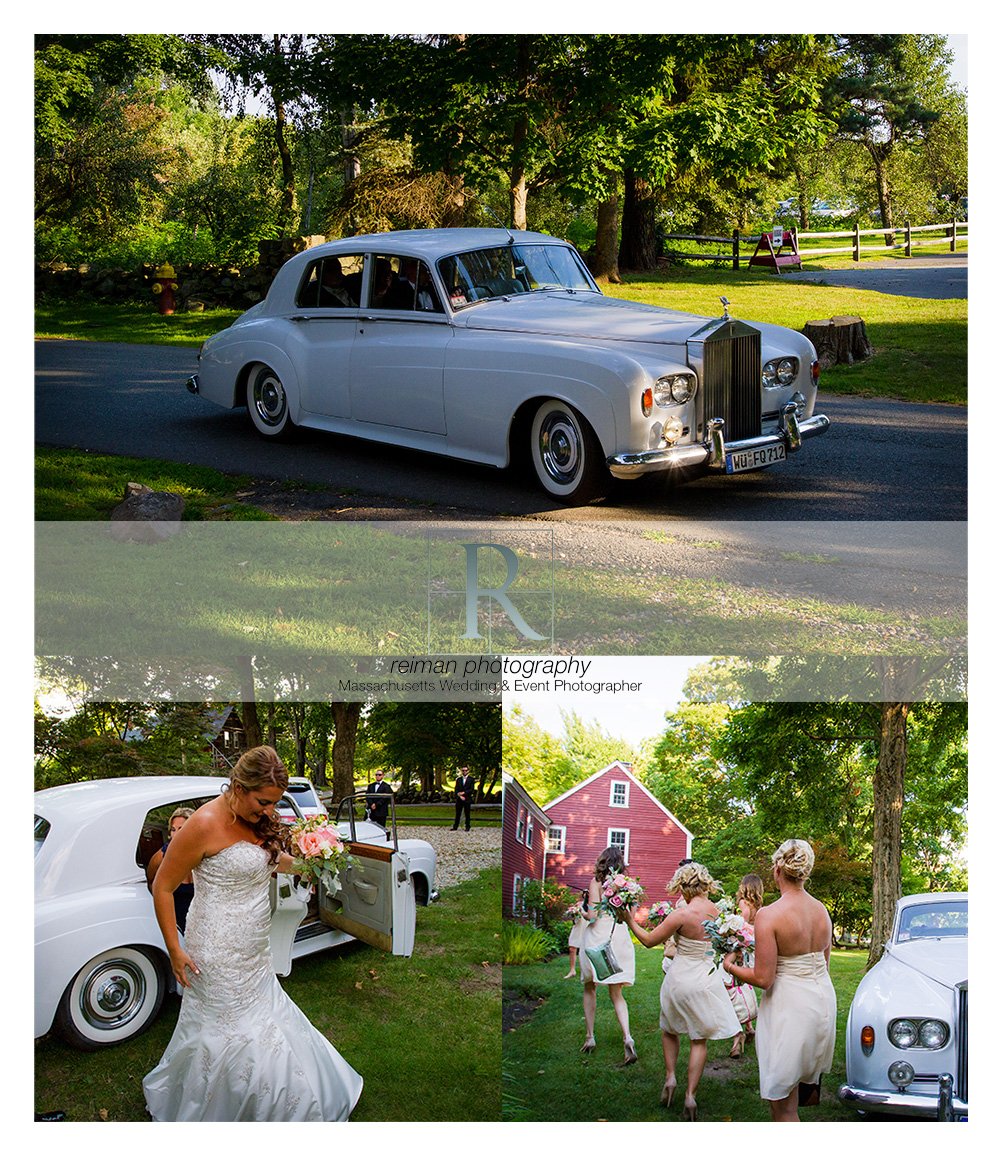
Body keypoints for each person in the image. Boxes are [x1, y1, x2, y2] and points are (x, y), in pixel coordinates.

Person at [142, 746, 363, 1121]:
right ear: (239, 786)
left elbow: (272, 860)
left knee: (267, 1016)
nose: (268, 811)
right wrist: (174, 948)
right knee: (230, 1029)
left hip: (253, 945)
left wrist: (311, 864)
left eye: (274, 803)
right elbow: (162, 887)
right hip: (215, 947)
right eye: (263, 801)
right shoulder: (203, 823)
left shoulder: (256, 817)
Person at [724, 839, 836, 1122]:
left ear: (777, 869)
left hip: (789, 1007)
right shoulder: (822, 910)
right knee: (800, 1089)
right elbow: (824, 964)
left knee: (783, 1107)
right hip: (821, 1002)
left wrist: (730, 967)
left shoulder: (769, 915)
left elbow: (763, 977)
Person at [625, 861, 740, 1119]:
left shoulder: (681, 914)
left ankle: (670, 1078)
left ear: (684, 887)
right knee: (698, 1039)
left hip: (678, 979)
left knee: (669, 1029)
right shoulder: (718, 913)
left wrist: (630, 920)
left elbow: (648, 940)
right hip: (705, 981)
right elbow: (729, 943)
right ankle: (690, 1096)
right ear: (705, 884)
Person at [579, 846, 637, 1067]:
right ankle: (628, 1038)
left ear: (602, 862)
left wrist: (582, 911)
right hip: (619, 936)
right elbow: (630, 914)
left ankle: (591, 1036)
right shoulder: (626, 886)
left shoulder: (596, 882)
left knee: (590, 986)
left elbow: (593, 917)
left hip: (598, 938)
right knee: (617, 993)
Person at [726, 872, 764, 1056]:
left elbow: (740, 926)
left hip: (741, 948)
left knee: (733, 988)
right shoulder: (759, 906)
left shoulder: (743, 903)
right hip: (754, 948)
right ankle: (749, 1028)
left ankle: (737, 1035)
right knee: (744, 987)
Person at [146, 807, 195, 934]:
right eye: (173, 830)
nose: (176, 834)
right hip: (175, 924)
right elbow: (151, 881)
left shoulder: (203, 855)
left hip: (199, 921)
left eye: (181, 829)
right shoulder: (162, 857)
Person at [563, 888, 588, 978]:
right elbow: (573, 918)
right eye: (584, 893)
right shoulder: (578, 904)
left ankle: (585, 970)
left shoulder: (592, 905)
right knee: (572, 948)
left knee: (585, 950)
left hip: (587, 928)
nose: (585, 895)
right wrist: (573, 913)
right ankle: (572, 970)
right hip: (578, 927)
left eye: (587, 893)